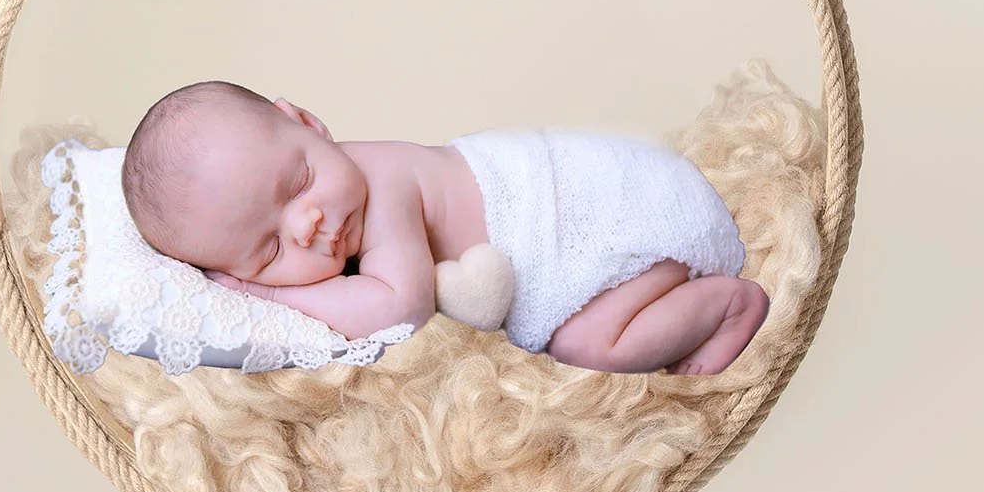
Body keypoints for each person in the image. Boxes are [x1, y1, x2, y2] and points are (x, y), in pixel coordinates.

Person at [120, 80, 769, 376]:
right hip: (600, 210)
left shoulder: (383, 185)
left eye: (298, 183)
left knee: (588, 343)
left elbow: (399, 306)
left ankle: (728, 303)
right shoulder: (337, 197)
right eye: (271, 247)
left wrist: (268, 289)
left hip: (607, 219)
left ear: (309, 123)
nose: (310, 225)